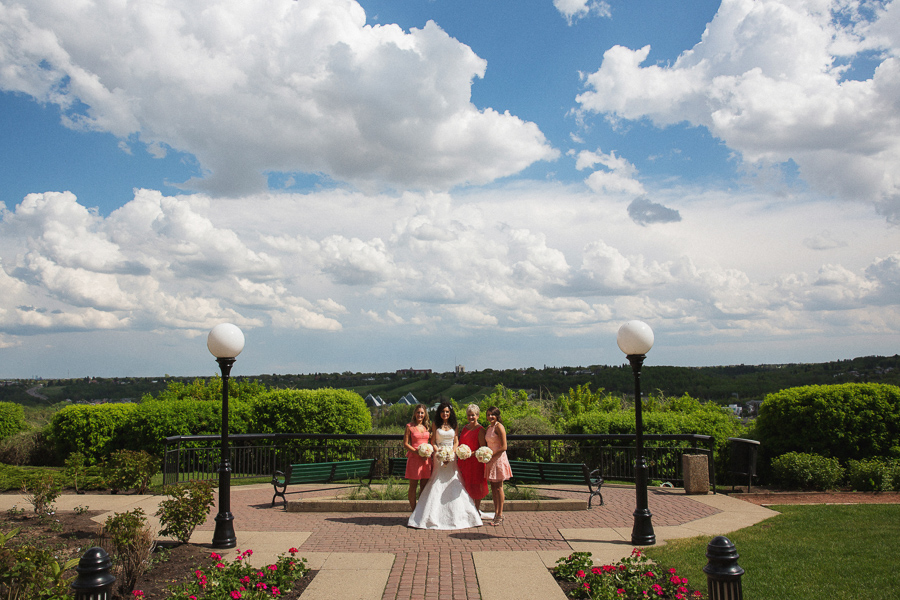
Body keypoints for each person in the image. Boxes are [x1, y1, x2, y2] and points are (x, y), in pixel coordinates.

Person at [407, 403, 483, 530]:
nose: (445, 414)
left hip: (452, 456)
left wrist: (452, 453)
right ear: (439, 413)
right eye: (443, 412)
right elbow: (433, 441)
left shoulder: (454, 425)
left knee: (454, 481)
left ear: (450, 413)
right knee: (436, 481)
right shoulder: (435, 424)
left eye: (447, 412)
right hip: (439, 456)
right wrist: (439, 453)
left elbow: (456, 441)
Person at [482, 406, 512, 526]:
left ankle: (500, 514)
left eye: (492, 415)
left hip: (498, 459)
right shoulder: (489, 428)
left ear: (497, 415)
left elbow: (504, 446)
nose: (490, 417)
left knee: (499, 487)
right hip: (490, 460)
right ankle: (495, 513)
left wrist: (491, 454)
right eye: (488, 415)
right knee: (493, 488)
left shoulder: (499, 427)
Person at [457, 404, 488, 512]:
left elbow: (482, 448)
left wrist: (470, 454)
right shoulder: (465, 428)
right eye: (469, 415)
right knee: (465, 484)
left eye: (473, 415)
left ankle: (476, 510)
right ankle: (467, 510)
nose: (471, 417)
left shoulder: (480, 430)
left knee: (476, 486)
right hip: (464, 462)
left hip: (475, 462)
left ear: (478, 416)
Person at [403, 404, 432, 510]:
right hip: (414, 458)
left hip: (426, 460)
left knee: (424, 487)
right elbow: (406, 444)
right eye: (418, 412)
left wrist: (428, 453)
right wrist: (417, 452)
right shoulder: (409, 426)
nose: (420, 414)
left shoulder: (427, 427)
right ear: (415, 414)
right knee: (413, 486)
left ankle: (420, 511)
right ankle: (413, 510)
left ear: (425, 414)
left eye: (422, 413)